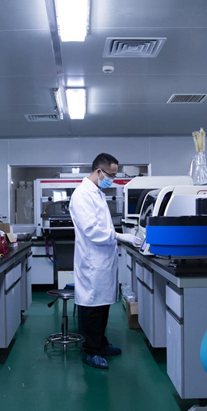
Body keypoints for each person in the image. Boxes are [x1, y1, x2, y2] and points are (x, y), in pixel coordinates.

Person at [69, 153, 140, 369]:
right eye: (111, 175)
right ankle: (90, 351)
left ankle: (100, 343)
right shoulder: (82, 195)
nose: (112, 180)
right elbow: (92, 230)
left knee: (102, 305)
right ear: (99, 171)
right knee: (92, 306)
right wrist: (120, 236)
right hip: (92, 262)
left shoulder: (97, 192)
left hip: (103, 260)